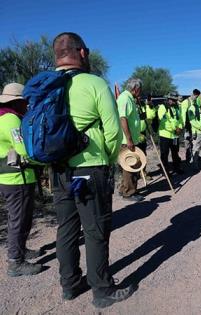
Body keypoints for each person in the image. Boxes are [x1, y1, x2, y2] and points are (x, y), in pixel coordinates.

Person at [50, 32, 133, 308]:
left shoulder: (47, 86)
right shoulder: (95, 83)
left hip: (58, 170)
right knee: (95, 229)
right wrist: (109, 161)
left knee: (66, 229)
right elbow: (113, 132)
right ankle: (102, 289)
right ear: (82, 53)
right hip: (90, 169)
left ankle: (70, 285)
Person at [0, 83, 43, 277]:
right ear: (17, 102)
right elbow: (23, 150)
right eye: (25, 102)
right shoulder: (11, 119)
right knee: (18, 219)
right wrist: (43, 159)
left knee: (20, 217)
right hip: (18, 177)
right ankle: (15, 262)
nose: (27, 105)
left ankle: (21, 249)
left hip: (9, 177)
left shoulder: (2, 116)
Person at [117, 78, 144, 202]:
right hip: (127, 140)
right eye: (140, 89)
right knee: (131, 166)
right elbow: (123, 119)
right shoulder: (125, 98)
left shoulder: (130, 99)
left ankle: (124, 189)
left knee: (128, 165)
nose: (140, 91)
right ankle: (129, 192)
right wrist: (129, 139)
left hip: (131, 139)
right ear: (135, 88)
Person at [158, 93, 183, 174]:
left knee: (175, 153)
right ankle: (165, 171)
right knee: (164, 154)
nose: (174, 101)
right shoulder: (163, 107)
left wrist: (180, 127)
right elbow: (164, 122)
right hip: (165, 135)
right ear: (168, 99)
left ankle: (177, 168)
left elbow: (180, 119)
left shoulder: (176, 108)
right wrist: (175, 129)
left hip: (175, 136)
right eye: (172, 100)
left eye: (175, 100)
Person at [180, 89, 201, 163]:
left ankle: (195, 155)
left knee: (195, 141)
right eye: (195, 95)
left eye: (197, 96)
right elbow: (183, 114)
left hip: (194, 125)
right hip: (187, 125)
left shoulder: (195, 102)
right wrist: (183, 124)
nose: (196, 97)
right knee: (187, 141)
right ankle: (188, 157)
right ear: (192, 94)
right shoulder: (186, 102)